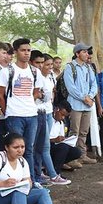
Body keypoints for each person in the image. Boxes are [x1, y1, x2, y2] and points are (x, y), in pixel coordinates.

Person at [0, 38, 45, 184]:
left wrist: (28, 102)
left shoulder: (35, 71)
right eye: (23, 50)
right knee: (15, 149)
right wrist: (8, 110)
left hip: (32, 115)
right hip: (14, 116)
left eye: (28, 50)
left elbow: (36, 92)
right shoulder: (7, 71)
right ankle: (15, 179)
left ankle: (31, 181)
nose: (27, 53)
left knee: (28, 149)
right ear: (16, 52)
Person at [33, 53, 69, 185]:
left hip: (48, 111)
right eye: (44, 64)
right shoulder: (36, 77)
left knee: (42, 146)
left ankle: (39, 173)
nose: (47, 67)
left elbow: (52, 93)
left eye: (49, 64)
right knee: (43, 146)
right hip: (38, 112)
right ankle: (53, 175)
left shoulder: (51, 77)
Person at [63, 43, 98, 164]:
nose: (86, 54)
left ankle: (82, 155)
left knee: (84, 131)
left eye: (87, 52)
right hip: (75, 105)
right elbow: (70, 88)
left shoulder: (88, 67)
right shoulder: (69, 67)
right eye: (84, 52)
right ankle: (71, 157)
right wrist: (85, 98)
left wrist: (90, 96)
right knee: (74, 131)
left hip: (87, 105)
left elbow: (94, 84)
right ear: (77, 53)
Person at [49, 101, 82, 174]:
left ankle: (58, 164)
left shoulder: (61, 123)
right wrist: (54, 140)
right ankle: (55, 172)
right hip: (48, 146)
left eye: (65, 116)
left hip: (58, 146)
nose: (63, 117)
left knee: (77, 152)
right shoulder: (48, 120)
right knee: (63, 148)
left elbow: (61, 137)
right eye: (62, 114)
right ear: (57, 110)